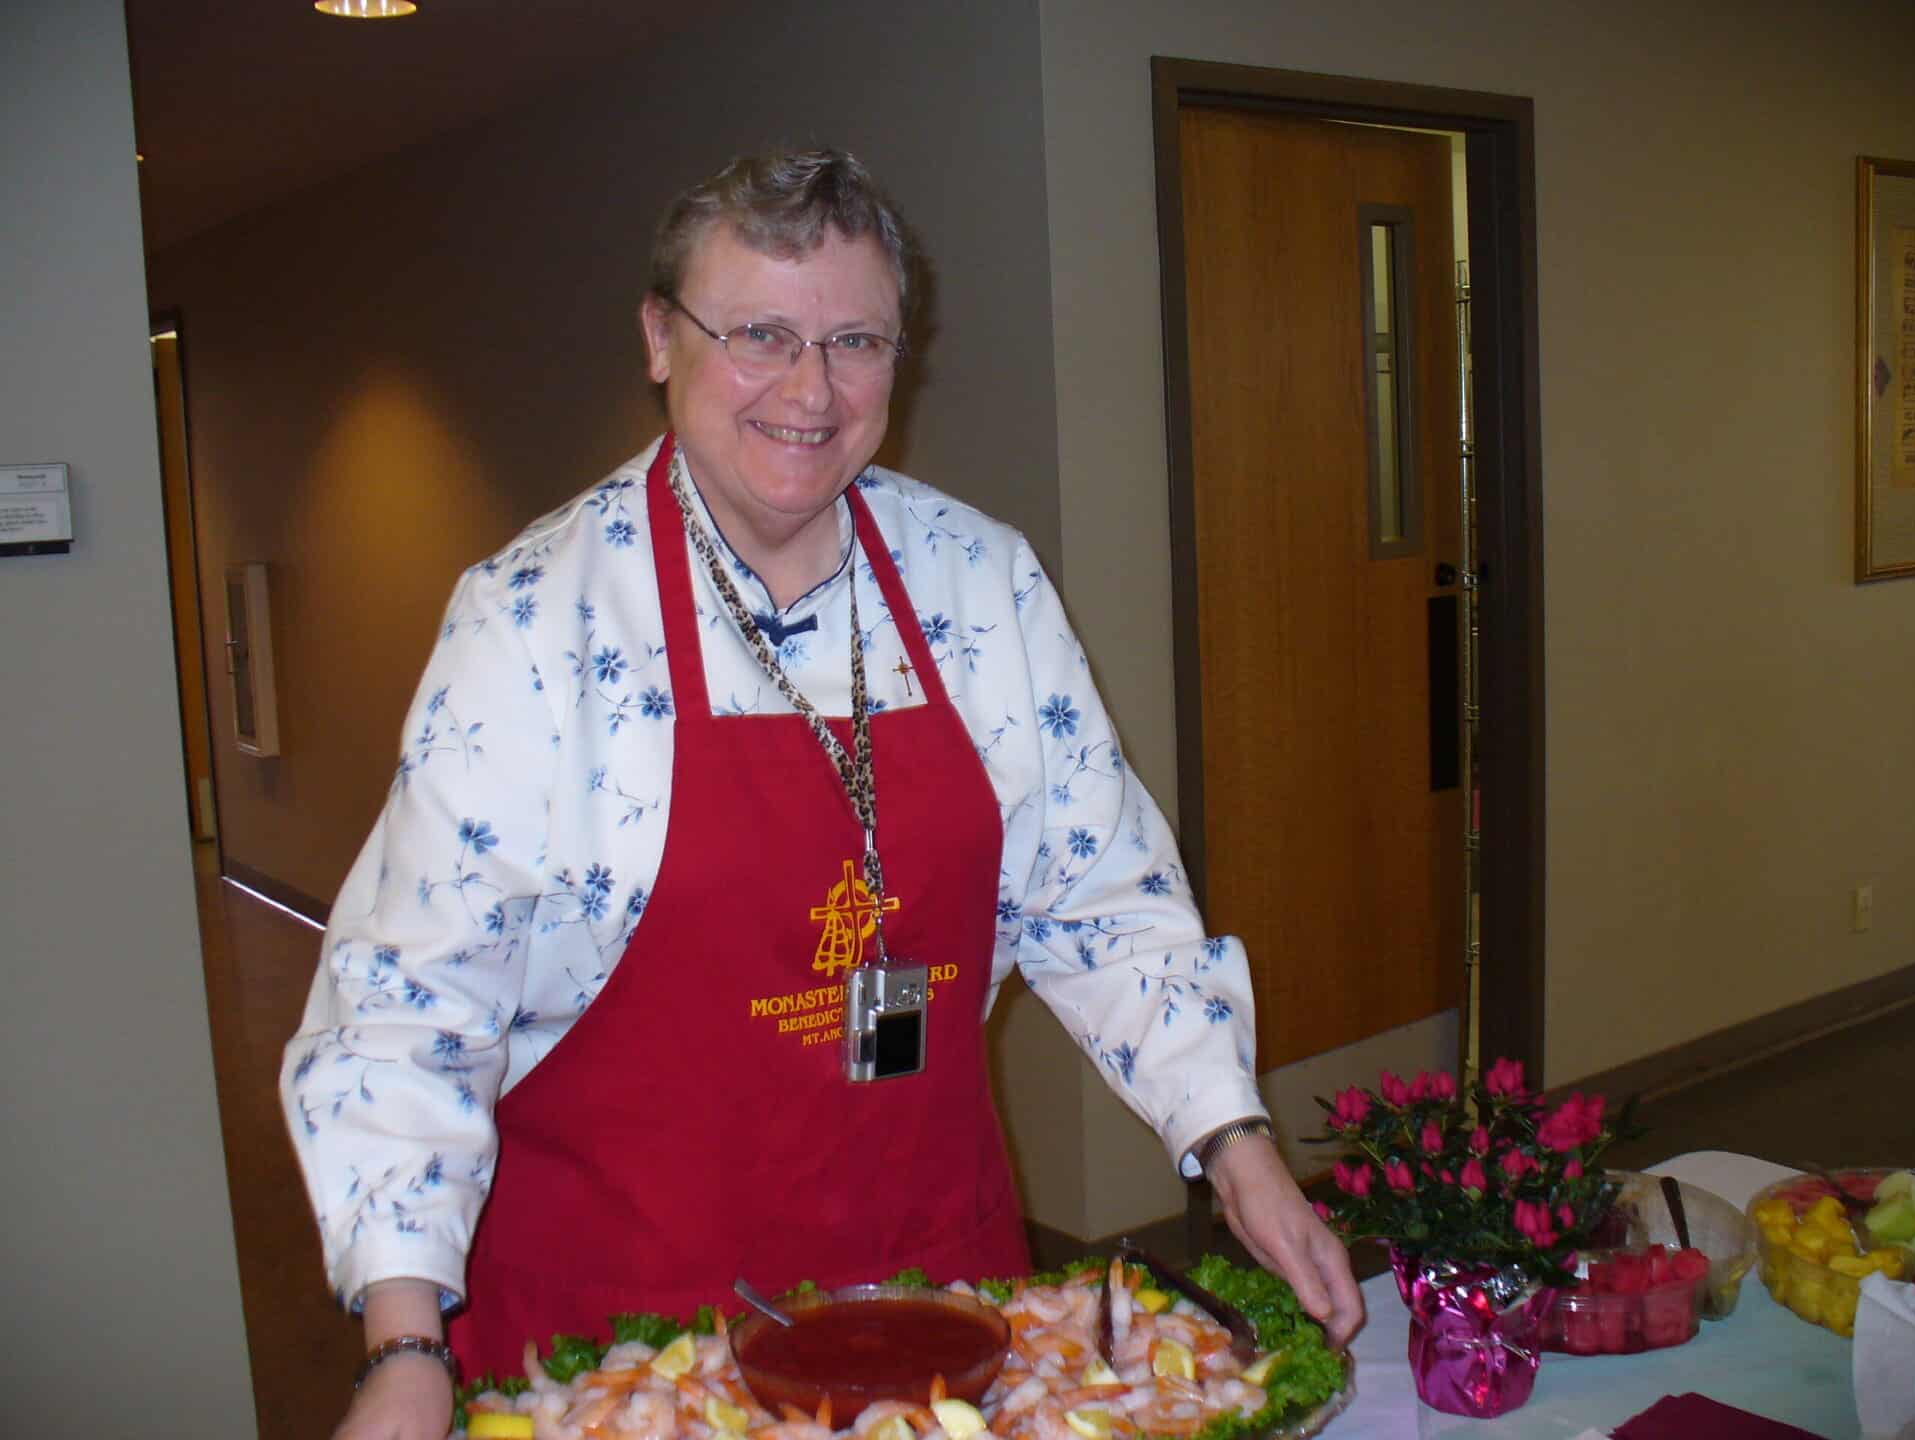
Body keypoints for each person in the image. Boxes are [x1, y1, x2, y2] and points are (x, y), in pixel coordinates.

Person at [282, 147, 1362, 1440]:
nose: (811, 389)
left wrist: (1234, 1146)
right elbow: (408, 1006)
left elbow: (1105, 897)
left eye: (857, 340)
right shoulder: (533, 621)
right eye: (760, 335)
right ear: (658, 340)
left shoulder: (980, 583)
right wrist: (402, 1346)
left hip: (941, 1301)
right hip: (633, 1340)